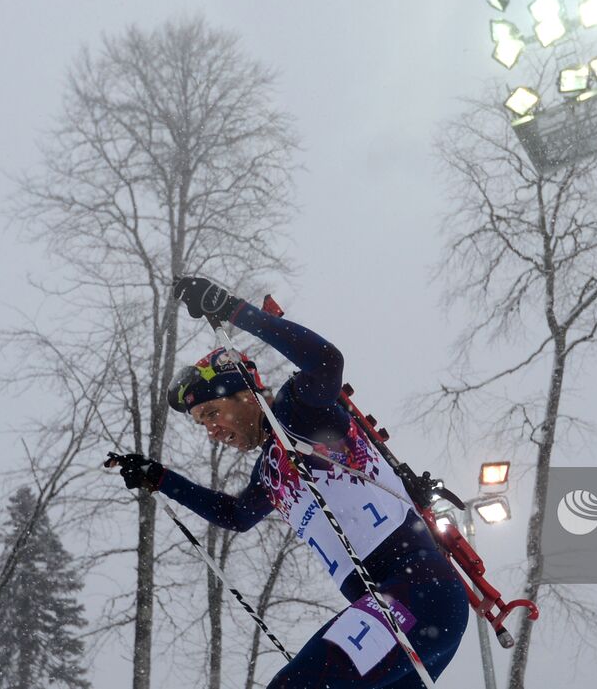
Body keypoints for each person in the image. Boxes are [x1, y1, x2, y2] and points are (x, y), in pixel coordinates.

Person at [106, 275, 469, 689]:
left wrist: (230, 309)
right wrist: (159, 478)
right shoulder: (269, 471)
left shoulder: (299, 411)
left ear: (244, 393)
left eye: (210, 413)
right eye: (201, 423)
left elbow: (327, 361)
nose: (210, 430)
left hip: (418, 595)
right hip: (409, 608)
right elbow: (237, 515)